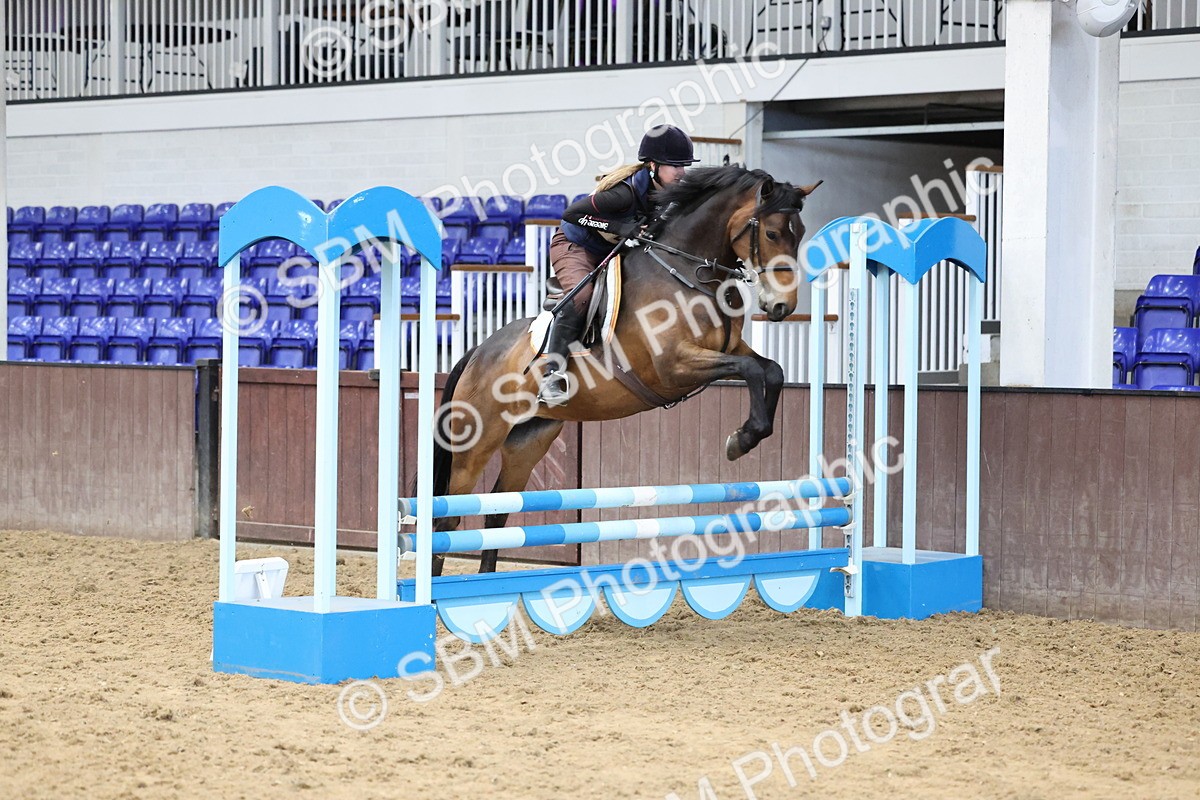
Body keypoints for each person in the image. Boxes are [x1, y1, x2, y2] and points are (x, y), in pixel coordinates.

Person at [539, 123, 699, 406]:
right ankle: (551, 374)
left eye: (683, 165)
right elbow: (573, 213)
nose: (681, 172)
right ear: (653, 166)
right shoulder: (623, 193)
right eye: (675, 166)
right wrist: (620, 226)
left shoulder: (666, 193)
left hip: (612, 248)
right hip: (575, 244)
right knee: (584, 296)